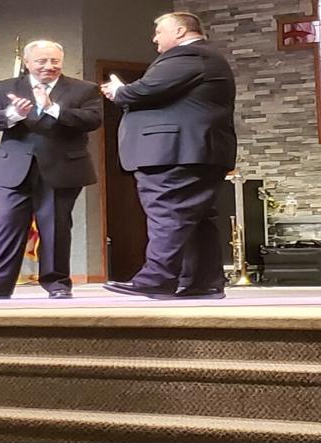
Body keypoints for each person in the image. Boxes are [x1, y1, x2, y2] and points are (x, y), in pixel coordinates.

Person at [99, 12, 237, 300]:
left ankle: (156, 279)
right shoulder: (203, 57)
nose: (154, 38)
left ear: (179, 30)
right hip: (192, 151)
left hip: (176, 152)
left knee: (168, 212)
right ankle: (204, 281)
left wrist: (120, 91)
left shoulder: (188, 56)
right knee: (195, 217)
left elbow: (146, 90)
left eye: (158, 32)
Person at [0, 39, 102, 300]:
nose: (49, 66)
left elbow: (93, 120)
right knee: (7, 225)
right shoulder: (6, 86)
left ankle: (57, 284)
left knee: (56, 228)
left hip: (61, 167)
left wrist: (53, 109)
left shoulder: (84, 89)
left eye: (55, 61)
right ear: (27, 63)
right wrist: (13, 114)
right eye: (41, 61)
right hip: (14, 167)